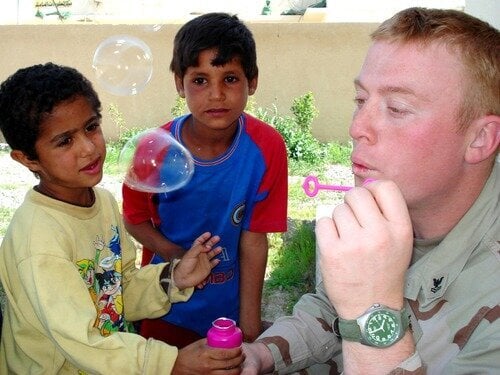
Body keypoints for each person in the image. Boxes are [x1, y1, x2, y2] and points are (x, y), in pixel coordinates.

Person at [241, 7, 499, 375]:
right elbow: (331, 310)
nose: (358, 126)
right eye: (361, 100)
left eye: (397, 108)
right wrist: (262, 355)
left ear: (480, 139)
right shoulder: (393, 205)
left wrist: (373, 312)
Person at [0, 62, 245, 374]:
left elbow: (118, 287)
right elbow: (82, 341)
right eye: (64, 141)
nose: (89, 148)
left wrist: (172, 278)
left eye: (91, 127)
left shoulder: (101, 202)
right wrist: (171, 362)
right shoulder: (39, 240)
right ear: (26, 158)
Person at [122, 12, 288, 346]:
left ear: (252, 81)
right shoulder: (153, 151)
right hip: (164, 304)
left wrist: (250, 326)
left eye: (230, 78)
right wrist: (175, 255)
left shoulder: (267, 147)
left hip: (227, 311)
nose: (215, 95)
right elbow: (135, 220)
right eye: (200, 80)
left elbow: (255, 240)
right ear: (179, 83)